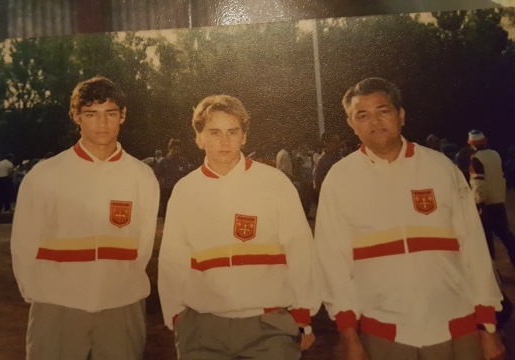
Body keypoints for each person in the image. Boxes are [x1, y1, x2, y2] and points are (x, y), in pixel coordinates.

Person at [314, 78, 505, 360]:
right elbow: (332, 263)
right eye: (362, 115)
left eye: (383, 110)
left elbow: (475, 249)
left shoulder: (440, 168)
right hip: (385, 336)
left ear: (401, 116)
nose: (375, 121)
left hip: (458, 328)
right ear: (351, 124)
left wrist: (488, 326)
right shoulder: (340, 180)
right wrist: (349, 336)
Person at [158, 95, 320, 359]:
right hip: (203, 328)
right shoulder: (186, 190)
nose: (224, 141)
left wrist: (303, 315)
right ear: (199, 137)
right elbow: (172, 261)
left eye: (232, 132)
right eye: (214, 132)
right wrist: (177, 318)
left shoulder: (274, 183)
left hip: (268, 326)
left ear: (244, 136)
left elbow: (300, 248)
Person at [11, 76, 159, 360]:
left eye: (110, 114)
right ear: (76, 117)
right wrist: (43, 293)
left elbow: (142, 249)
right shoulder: (46, 174)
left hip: (121, 305)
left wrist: (118, 284)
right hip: (57, 305)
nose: (102, 124)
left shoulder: (141, 176)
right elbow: (24, 244)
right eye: (91, 114)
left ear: (123, 116)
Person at [468, 130, 515, 269]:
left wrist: (480, 203)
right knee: (506, 235)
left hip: (486, 205)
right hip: (498, 202)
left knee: (486, 240)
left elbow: (479, 184)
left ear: (473, 144)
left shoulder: (476, 158)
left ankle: (492, 271)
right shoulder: (495, 155)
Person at [154, 138, 190, 217]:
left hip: (180, 191)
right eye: (174, 149)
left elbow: (188, 177)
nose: (176, 151)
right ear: (170, 149)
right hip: (166, 190)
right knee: (167, 215)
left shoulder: (183, 162)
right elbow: (157, 175)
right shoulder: (164, 162)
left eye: (178, 149)